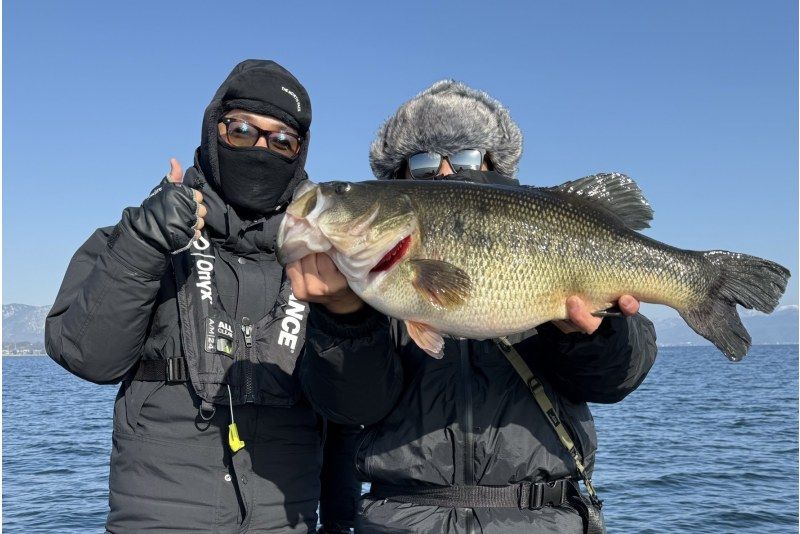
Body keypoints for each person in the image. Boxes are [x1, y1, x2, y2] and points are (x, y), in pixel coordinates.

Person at [291, 80, 658, 533]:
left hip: (543, 518)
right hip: (401, 519)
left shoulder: (538, 230)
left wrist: (596, 335)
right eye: (424, 161)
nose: (446, 173)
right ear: (399, 180)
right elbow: (349, 409)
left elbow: (617, 380)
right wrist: (343, 319)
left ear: (492, 164)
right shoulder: (359, 287)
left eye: (464, 157)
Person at [46, 59, 360, 534]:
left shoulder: (324, 261)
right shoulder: (142, 236)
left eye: (281, 141)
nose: (261, 148)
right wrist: (143, 241)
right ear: (214, 132)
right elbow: (85, 355)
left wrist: (345, 312)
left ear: (300, 153)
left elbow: (350, 415)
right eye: (241, 131)